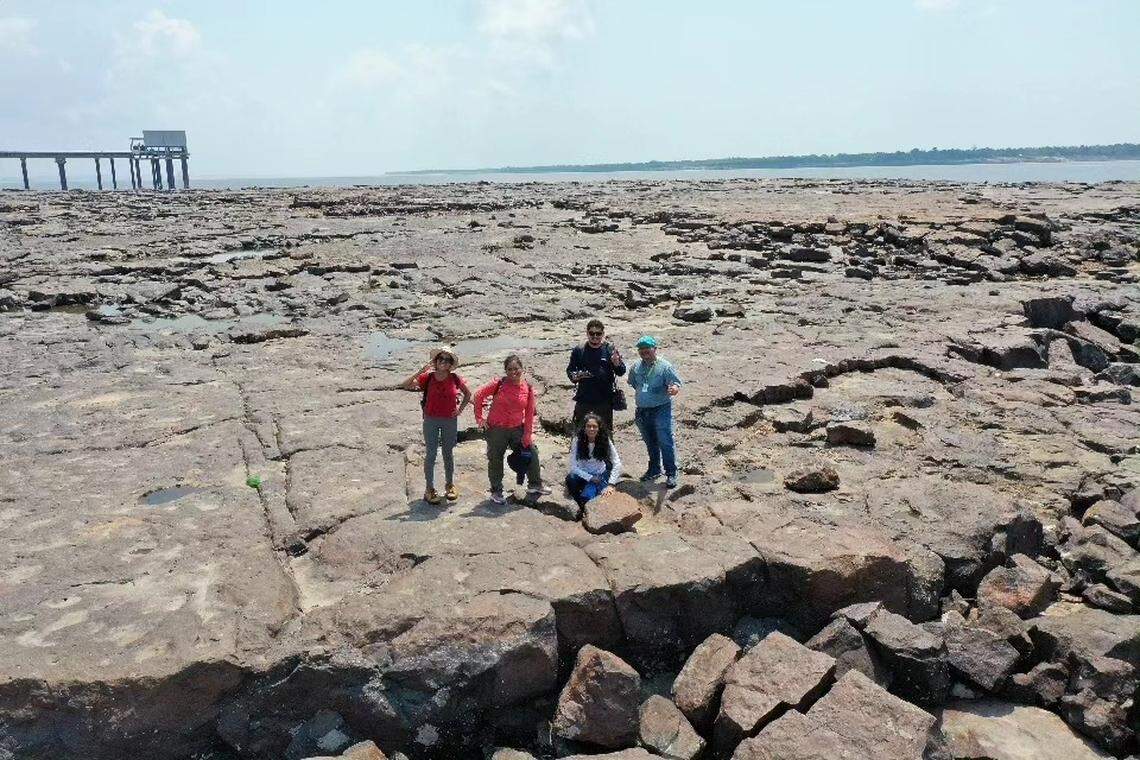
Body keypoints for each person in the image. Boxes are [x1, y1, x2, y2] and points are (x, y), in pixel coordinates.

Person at [474, 354, 549, 504]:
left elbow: (529, 413)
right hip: (496, 429)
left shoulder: (527, 387)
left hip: (516, 428)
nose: (513, 372)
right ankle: (496, 491)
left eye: (516, 369)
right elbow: (478, 396)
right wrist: (480, 418)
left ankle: (535, 484)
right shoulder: (499, 384)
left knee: (531, 451)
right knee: (495, 459)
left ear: (522, 369)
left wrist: (528, 433)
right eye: (509, 369)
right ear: (505, 370)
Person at [401, 346, 471, 504]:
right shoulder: (428, 377)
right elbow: (405, 384)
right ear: (436, 361)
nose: (444, 363)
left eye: (447, 360)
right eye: (441, 359)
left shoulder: (454, 378)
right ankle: (429, 489)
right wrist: (420, 371)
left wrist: (459, 410)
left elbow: (468, 394)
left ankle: (450, 485)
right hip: (431, 420)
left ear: (451, 363)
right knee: (431, 454)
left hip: (449, 421)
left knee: (448, 454)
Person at [627, 335, 682, 488]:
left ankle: (671, 472)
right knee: (650, 442)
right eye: (641, 349)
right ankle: (654, 469)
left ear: (655, 349)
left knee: (665, 440)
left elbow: (676, 383)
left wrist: (674, 389)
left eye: (647, 348)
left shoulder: (665, 366)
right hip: (642, 411)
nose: (644, 351)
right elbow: (633, 383)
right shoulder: (636, 367)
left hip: (661, 409)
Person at [566, 318, 626, 432]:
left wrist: (616, 363)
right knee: (580, 432)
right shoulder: (579, 350)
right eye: (592, 333)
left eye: (598, 334)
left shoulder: (609, 349)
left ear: (603, 334)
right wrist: (576, 376)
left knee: (605, 433)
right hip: (584, 399)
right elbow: (570, 371)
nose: (595, 336)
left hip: (605, 400)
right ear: (587, 333)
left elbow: (621, 371)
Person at [565, 413, 622, 507]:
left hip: (600, 474)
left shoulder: (605, 440)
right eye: (588, 426)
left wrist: (611, 484)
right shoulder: (577, 440)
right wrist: (590, 478)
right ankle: (577, 502)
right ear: (584, 427)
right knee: (571, 479)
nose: (591, 429)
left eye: (594, 426)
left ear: (599, 428)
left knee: (590, 497)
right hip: (582, 474)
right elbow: (573, 466)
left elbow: (617, 462)